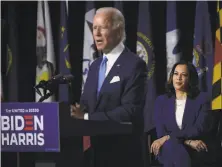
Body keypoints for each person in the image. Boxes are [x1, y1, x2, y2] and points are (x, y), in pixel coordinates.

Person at [70, 7, 147, 167]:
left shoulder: (134, 65)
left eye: (102, 27)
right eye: (94, 28)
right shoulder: (95, 66)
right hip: (95, 154)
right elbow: (87, 104)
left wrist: (86, 118)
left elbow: (129, 111)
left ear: (118, 30)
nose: (96, 33)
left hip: (123, 155)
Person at [150, 60, 214, 167]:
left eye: (183, 75)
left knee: (174, 147)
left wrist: (168, 137)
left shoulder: (202, 99)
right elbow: (161, 132)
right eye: (176, 74)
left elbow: (198, 128)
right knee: (172, 147)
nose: (178, 78)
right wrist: (186, 141)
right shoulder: (161, 101)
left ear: (190, 79)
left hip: (194, 149)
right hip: (169, 147)